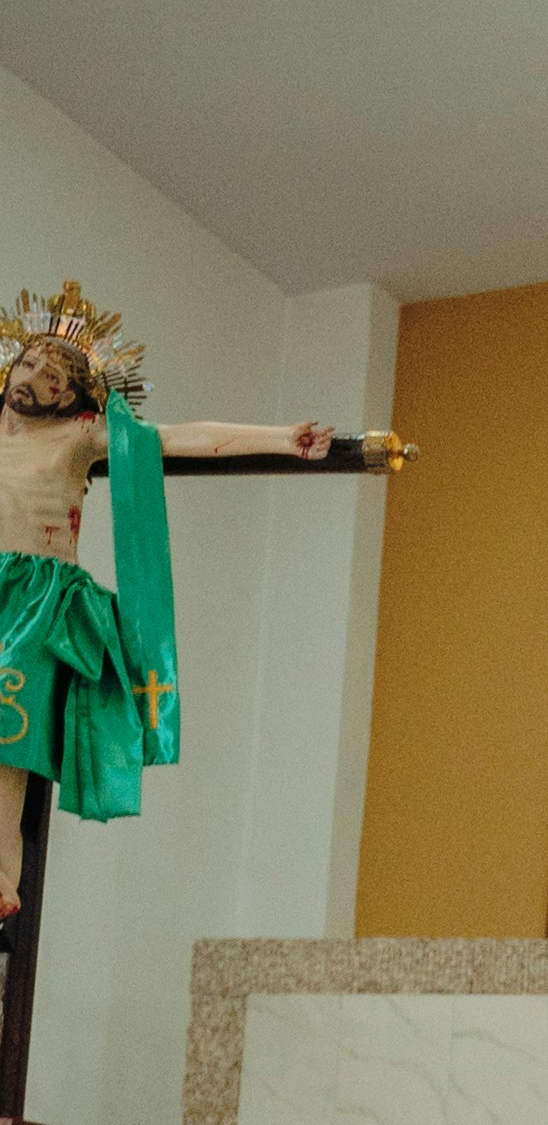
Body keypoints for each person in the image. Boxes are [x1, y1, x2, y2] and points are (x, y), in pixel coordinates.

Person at [0, 278, 333, 911]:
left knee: (4, 726)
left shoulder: (81, 434)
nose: (36, 376)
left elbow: (183, 438)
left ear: (70, 397)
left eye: (54, 375)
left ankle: (0, 875)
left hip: (34, 599)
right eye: (30, 362)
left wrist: (279, 437)